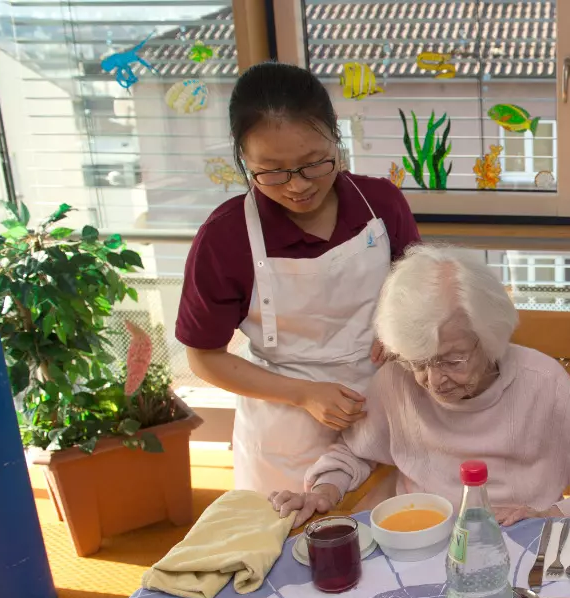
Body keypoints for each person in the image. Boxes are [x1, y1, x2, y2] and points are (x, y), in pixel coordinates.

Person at [269, 245, 570, 528]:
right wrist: (324, 492)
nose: (433, 382)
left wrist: (558, 512)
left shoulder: (542, 383)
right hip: (422, 541)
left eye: (452, 360)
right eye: (418, 362)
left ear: (490, 337)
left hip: (522, 542)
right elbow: (354, 453)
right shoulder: (396, 380)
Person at [176, 62, 421, 495]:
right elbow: (203, 357)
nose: (297, 187)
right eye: (271, 171)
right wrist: (303, 394)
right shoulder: (225, 237)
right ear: (243, 159)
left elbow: (417, 285)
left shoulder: (380, 203)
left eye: (313, 164)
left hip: (384, 410)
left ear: (336, 138)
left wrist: (401, 327)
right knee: (293, 531)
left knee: (391, 524)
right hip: (286, 432)